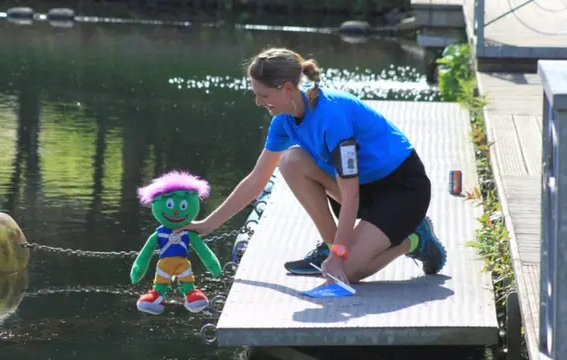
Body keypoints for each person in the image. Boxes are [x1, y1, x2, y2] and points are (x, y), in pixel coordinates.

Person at [175, 47, 447, 285]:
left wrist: (341, 256)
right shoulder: (283, 121)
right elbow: (257, 180)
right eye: (255, 95)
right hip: (362, 189)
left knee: (348, 272)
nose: (258, 102)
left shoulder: (332, 117)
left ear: (288, 89)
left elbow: (350, 194)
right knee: (291, 161)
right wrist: (208, 224)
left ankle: (414, 239)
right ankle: (331, 247)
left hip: (400, 190)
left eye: (264, 95)